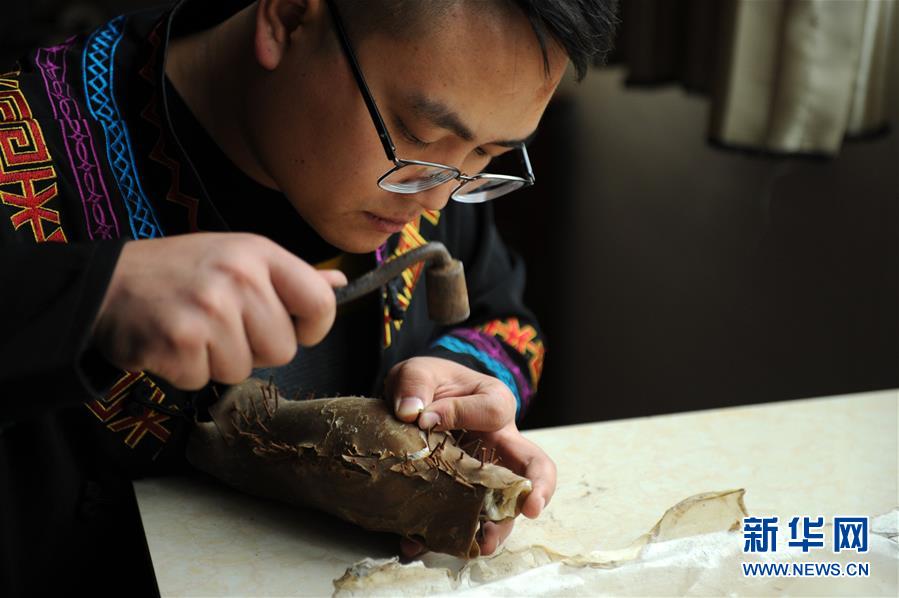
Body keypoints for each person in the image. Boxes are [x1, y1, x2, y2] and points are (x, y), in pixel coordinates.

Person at [0, 0, 618, 593]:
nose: (435, 199)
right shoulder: (26, 150)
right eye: (418, 132)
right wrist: (95, 295)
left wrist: (463, 383)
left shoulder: (443, 169)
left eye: (489, 153)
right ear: (289, 16)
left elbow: (504, 321)